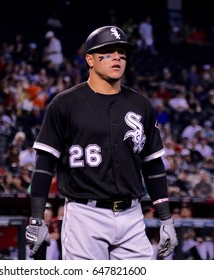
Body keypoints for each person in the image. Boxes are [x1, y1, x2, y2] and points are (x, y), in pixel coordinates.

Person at [26, 25, 178, 260]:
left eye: (122, 52)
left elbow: (153, 165)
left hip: (132, 216)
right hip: (85, 215)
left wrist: (166, 218)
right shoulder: (64, 104)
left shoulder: (141, 105)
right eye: (108, 51)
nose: (117, 57)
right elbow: (44, 165)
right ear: (90, 59)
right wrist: (37, 218)